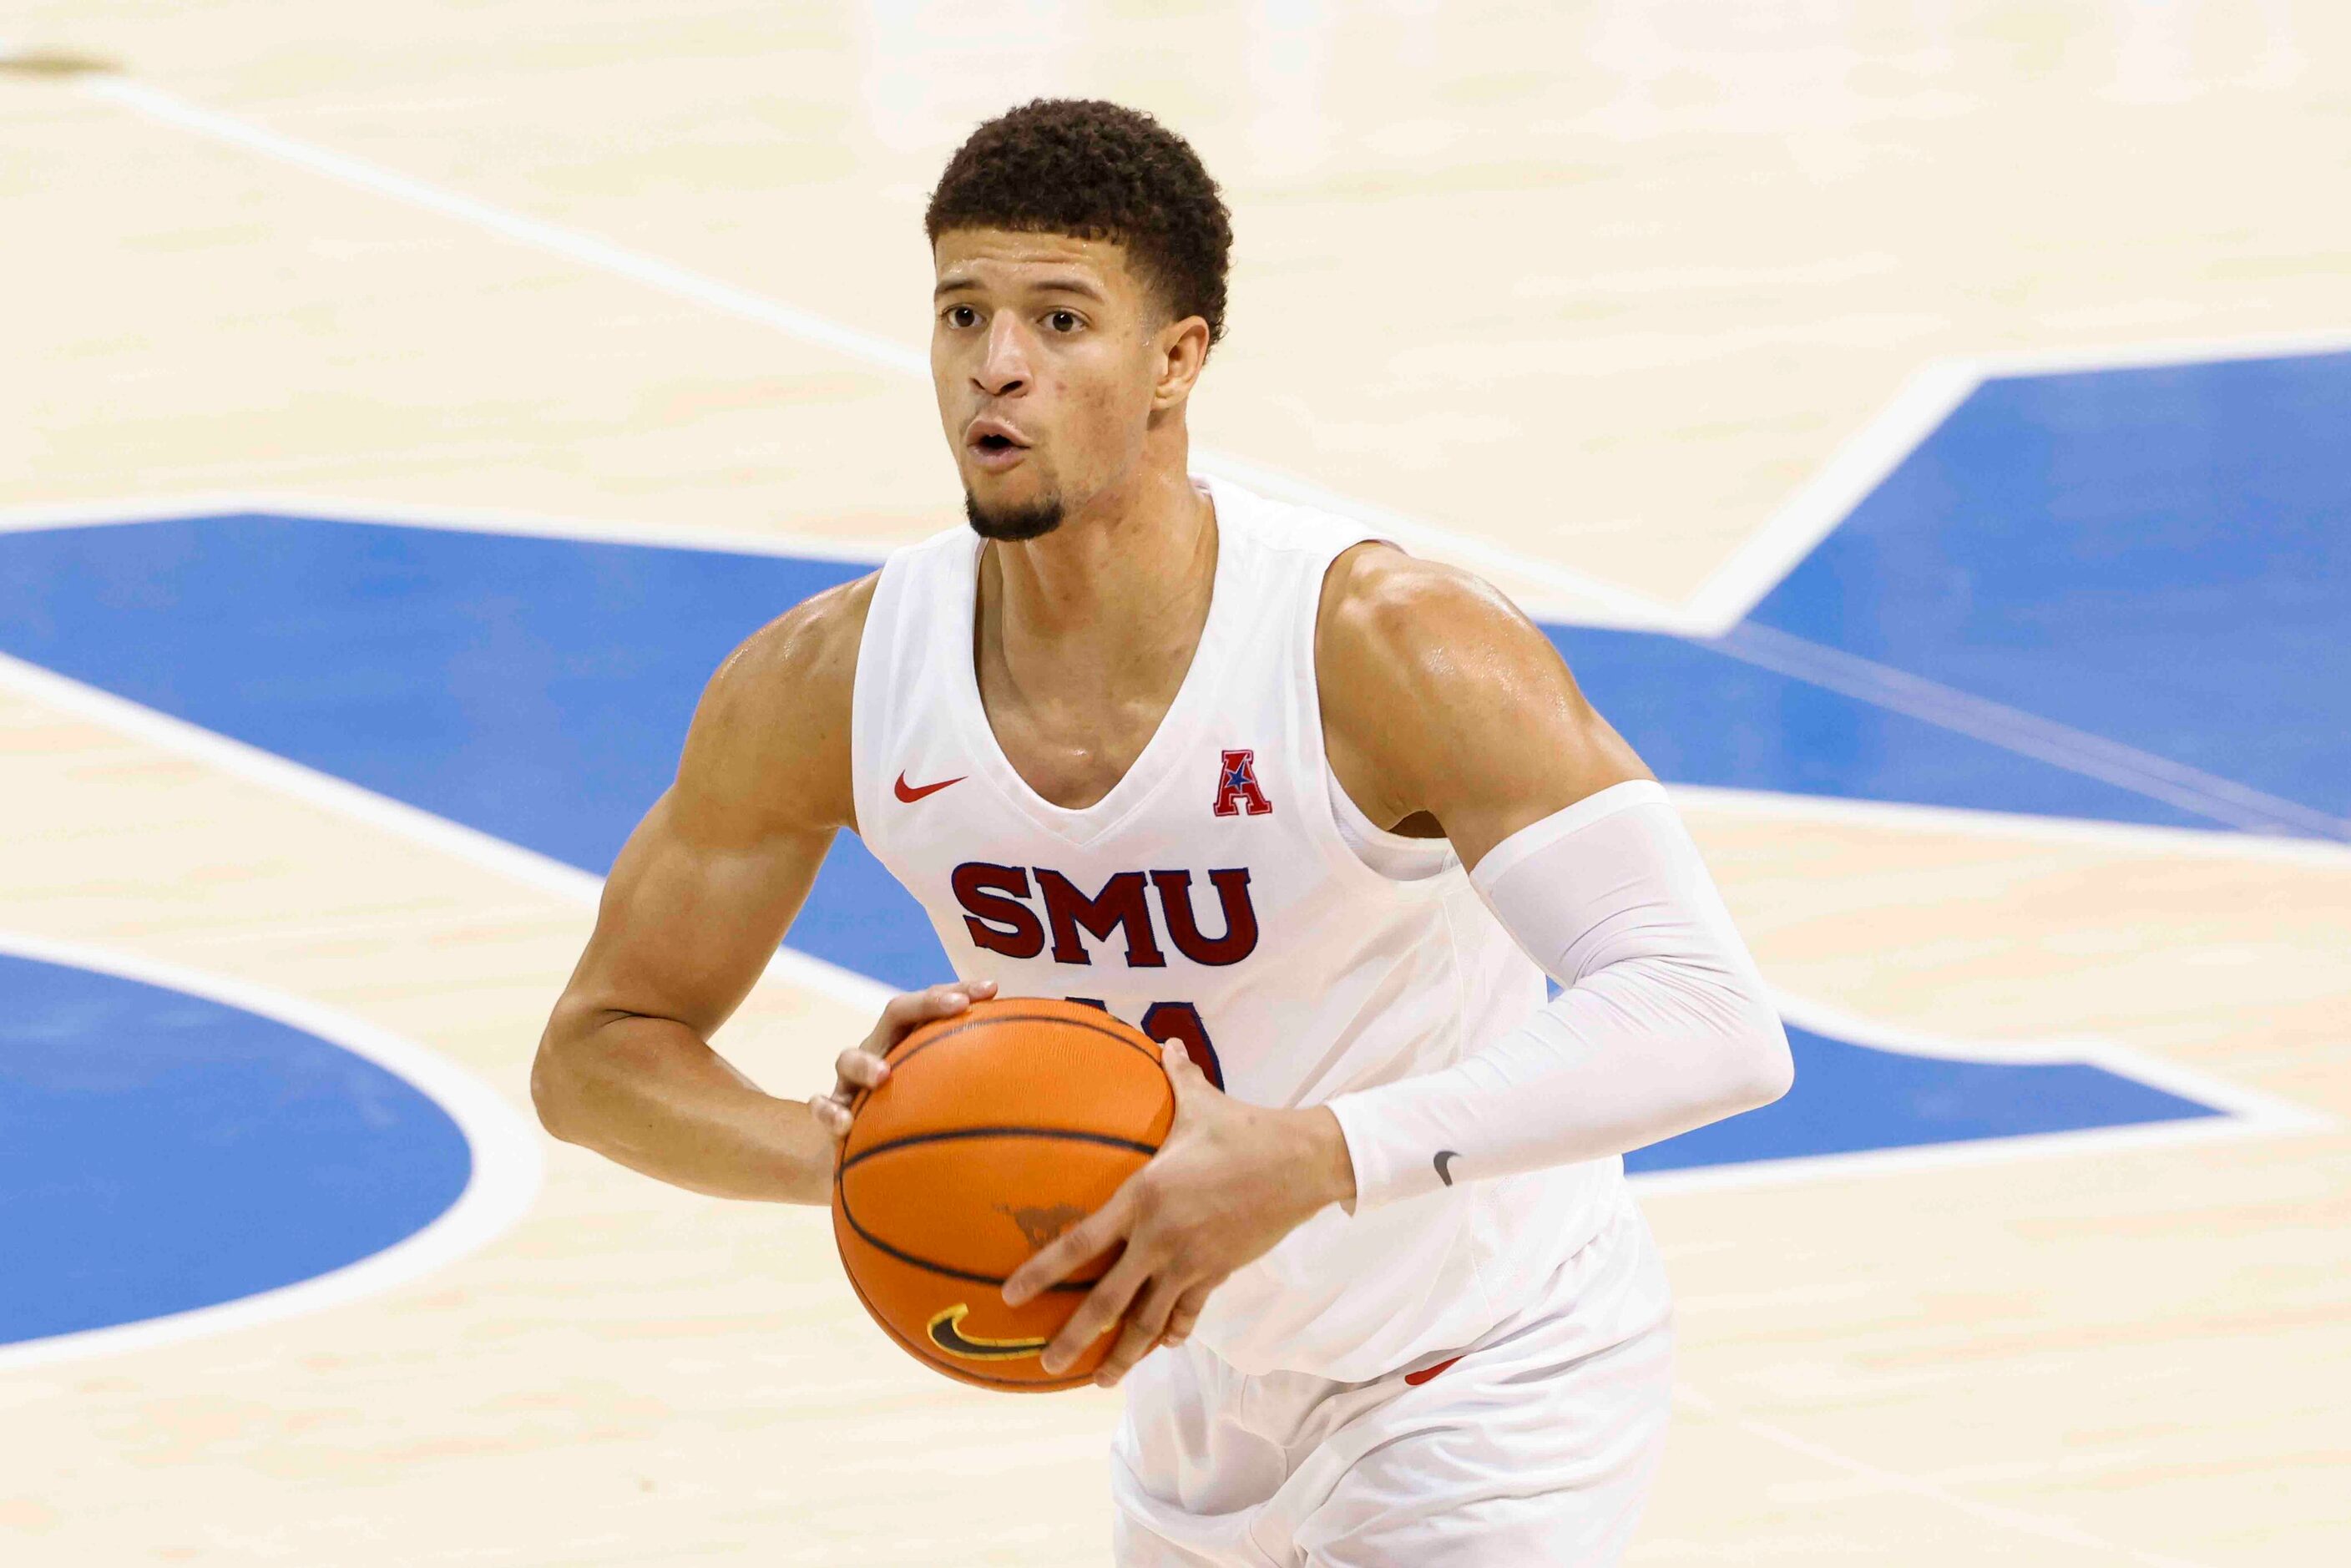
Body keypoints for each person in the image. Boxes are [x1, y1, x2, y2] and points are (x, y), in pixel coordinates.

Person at [531, 98, 1792, 1566]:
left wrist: (1314, 1154)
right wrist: (863, 1146)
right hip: (1197, 1396)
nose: (997, 365)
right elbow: (597, 1049)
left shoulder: (1383, 642)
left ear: (1177, 360)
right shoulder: (831, 678)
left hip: (1490, 1367)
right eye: (963, 313)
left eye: (1062, 321)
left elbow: (1712, 1019)